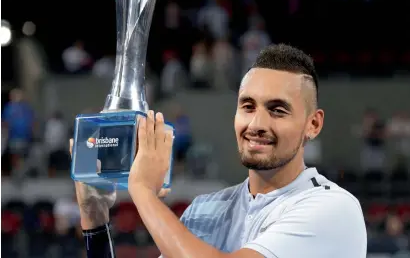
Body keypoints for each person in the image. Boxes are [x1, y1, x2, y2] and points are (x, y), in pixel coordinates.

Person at [72, 44, 367, 258]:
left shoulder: (332, 208)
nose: (257, 123)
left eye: (277, 110)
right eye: (248, 106)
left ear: (313, 124)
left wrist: (143, 190)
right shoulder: (203, 210)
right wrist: (94, 218)